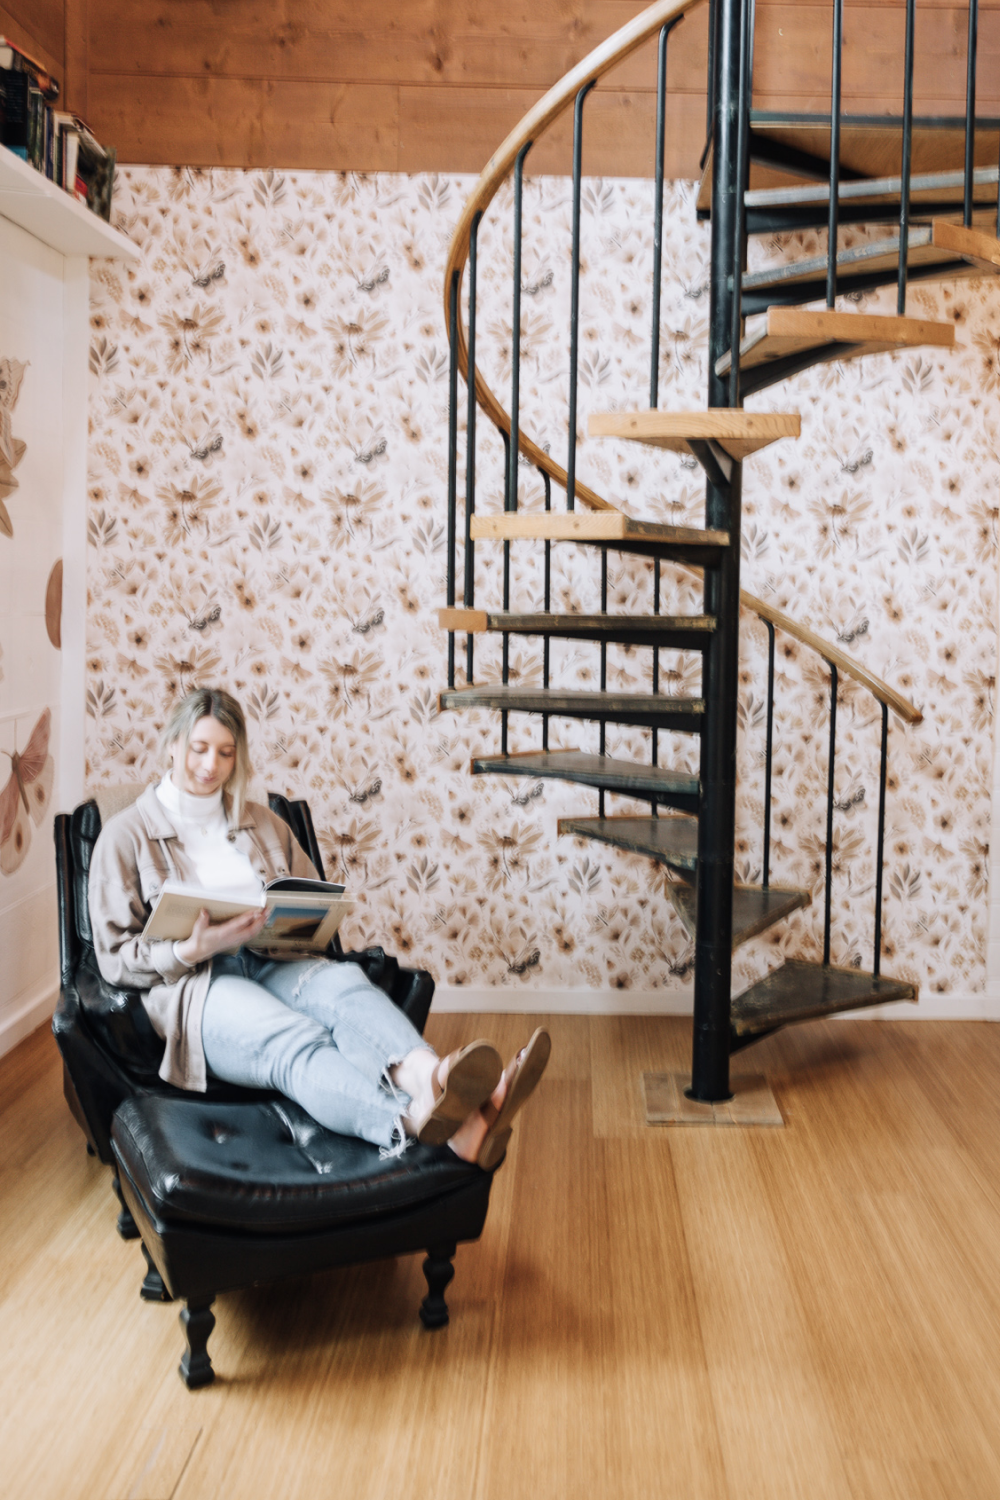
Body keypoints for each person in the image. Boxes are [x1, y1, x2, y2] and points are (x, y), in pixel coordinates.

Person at [88, 686, 549, 1168]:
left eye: (225, 753)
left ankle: (437, 1076)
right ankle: (422, 1119)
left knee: (347, 987)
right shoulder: (125, 835)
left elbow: (311, 904)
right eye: (198, 749)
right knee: (296, 1040)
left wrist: (296, 921)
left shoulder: (264, 822)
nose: (210, 766)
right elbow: (114, 958)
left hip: (272, 960)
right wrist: (189, 949)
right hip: (199, 983)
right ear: (172, 745)